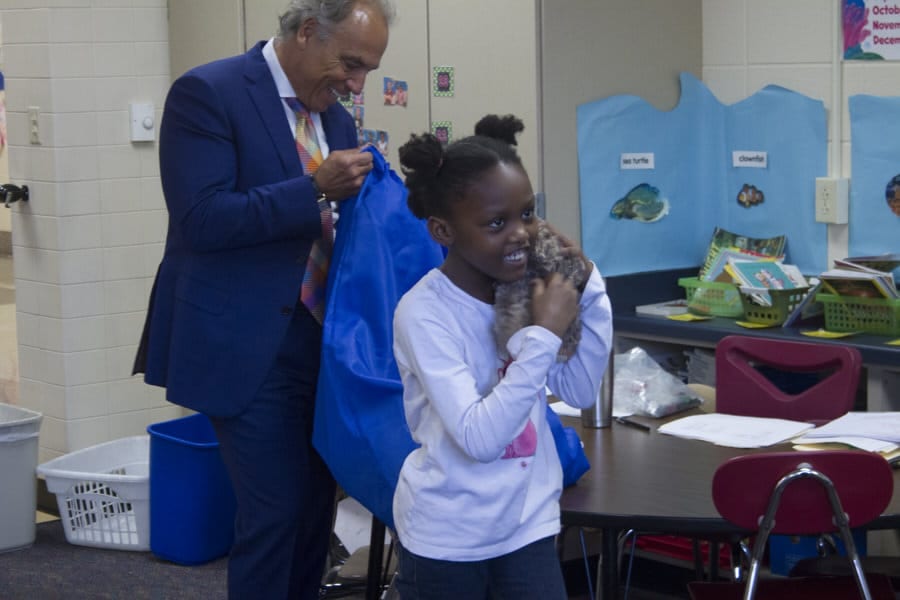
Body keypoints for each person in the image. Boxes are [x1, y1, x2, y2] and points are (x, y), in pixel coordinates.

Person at [131, 1, 394, 598]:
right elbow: (202, 219)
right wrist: (313, 189)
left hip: (323, 347)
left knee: (314, 512)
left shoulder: (336, 120)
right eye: (350, 64)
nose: (356, 84)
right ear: (307, 32)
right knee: (274, 512)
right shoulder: (208, 93)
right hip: (247, 344)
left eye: (367, 71)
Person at [391, 115, 613, 599]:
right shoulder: (424, 312)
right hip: (448, 539)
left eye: (527, 213)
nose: (522, 234)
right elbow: (480, 438)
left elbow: (578, 389)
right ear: (442, 230)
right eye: (497, 223)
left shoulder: (525, 291)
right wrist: (544, 334)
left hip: (527, 527)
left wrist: (588, 282)